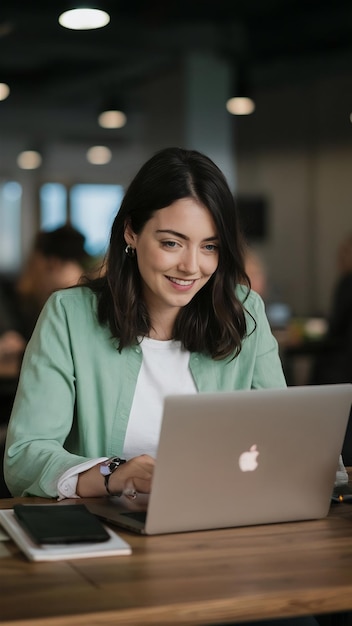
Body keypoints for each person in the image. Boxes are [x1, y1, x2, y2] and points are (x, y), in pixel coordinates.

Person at [4, 147, 286, 501]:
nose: (191, 266)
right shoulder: (69, 316)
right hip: (109, 529)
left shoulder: (244, 311)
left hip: (225, 518)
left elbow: (282, 436)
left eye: (210, 246)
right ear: (131, 233)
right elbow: (24, 457)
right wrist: (113, 473)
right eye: (172, 242)